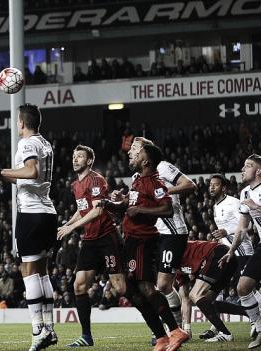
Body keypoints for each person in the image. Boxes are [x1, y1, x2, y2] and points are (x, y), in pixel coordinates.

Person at [101, 144, 189, 351]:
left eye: (137, 153)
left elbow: (167, 208)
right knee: (130, 290)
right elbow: (128, 209)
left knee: (146, 287)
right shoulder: (138, 181)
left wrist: (139, 209)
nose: (132, 155)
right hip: (131, 241)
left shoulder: (154, 181)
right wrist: (107, 204)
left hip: (143, 241)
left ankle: (175, 331)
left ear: (146, 161)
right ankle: (161, 337)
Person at [0, 103, 58, 351]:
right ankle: (49, 328)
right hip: (48, 212)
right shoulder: (45, 143)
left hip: (31, 213)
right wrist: (0, 174)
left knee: (28, 271)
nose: (16, 124)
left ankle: (38, 330)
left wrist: (2, 170)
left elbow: (31, 171)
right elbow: (31, 175)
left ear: (22, 123)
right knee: (43, 270)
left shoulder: (26, 143)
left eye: (17, 120)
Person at [56, 145, 126, 347]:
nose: (75, 159)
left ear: (89, 161)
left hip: (107, 237)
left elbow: (97, 211)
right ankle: (86, 336)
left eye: (80, 157)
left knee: (121, 288)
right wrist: (67, 224)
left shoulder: (96, 180)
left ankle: (157, 325)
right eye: (74, 156)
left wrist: (72, 229)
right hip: (90, 239)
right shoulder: (75, 185)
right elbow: (82, 210)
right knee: (78, 285)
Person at [127, 137, 196, 334]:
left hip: (172, 232)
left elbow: (189, 184)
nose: (130, 151)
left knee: (164, 285)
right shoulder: (136, 178)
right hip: (152, 235)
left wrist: (162, 192)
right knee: (155, 285)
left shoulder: (163, 167)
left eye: (134, 148)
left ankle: (175, 327)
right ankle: (174, 327)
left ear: (145, 152)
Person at [198, 174, 261, 340]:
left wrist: (227, 232)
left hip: (242, 251)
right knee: (216, 291)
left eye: (216, 185)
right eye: (211, 184)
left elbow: (246, 225)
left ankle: (259, 321)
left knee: (248, 288)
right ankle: (216, 328)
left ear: (224, 187)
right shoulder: (215, 206)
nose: (212, 187)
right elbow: (224, 230)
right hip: (227, 254)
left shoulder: (234, 202)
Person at [219, 154, 261, 349]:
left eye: (247, 166)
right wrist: (231, 251)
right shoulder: (244, 193)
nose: (242, 169)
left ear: (258, 171)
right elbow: (242, 228)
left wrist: (257, 207)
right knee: (242, 287)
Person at [176, 240, 238, 342]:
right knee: (207, 302)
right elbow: (184, 298)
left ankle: (225, 333)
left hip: (217, 253)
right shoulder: (177, 269)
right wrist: (187, 329)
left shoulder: (180, 252)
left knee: (195, 294)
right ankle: (250, 312)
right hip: (228, 257)